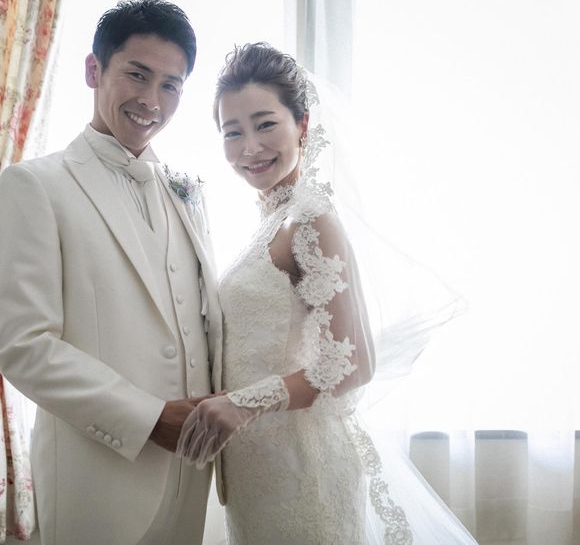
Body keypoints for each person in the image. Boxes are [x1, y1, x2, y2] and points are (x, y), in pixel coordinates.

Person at [177, 42, 479, 544]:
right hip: (258, 467)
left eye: (265, 124)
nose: (249, 147)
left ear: (302, 124)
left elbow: (354, 362)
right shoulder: (270, 221)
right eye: (232, 132)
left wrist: (241, 403)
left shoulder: (311, 219)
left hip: (303, 471)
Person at [0, 0, 223, 545]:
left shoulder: (186, 191)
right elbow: (23, 344)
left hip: (190, 476)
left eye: (170, 85)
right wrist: (148, 418)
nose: (152, 100)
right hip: (97, 479)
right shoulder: (33, 185)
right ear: (93, 70)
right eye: (137, 75)